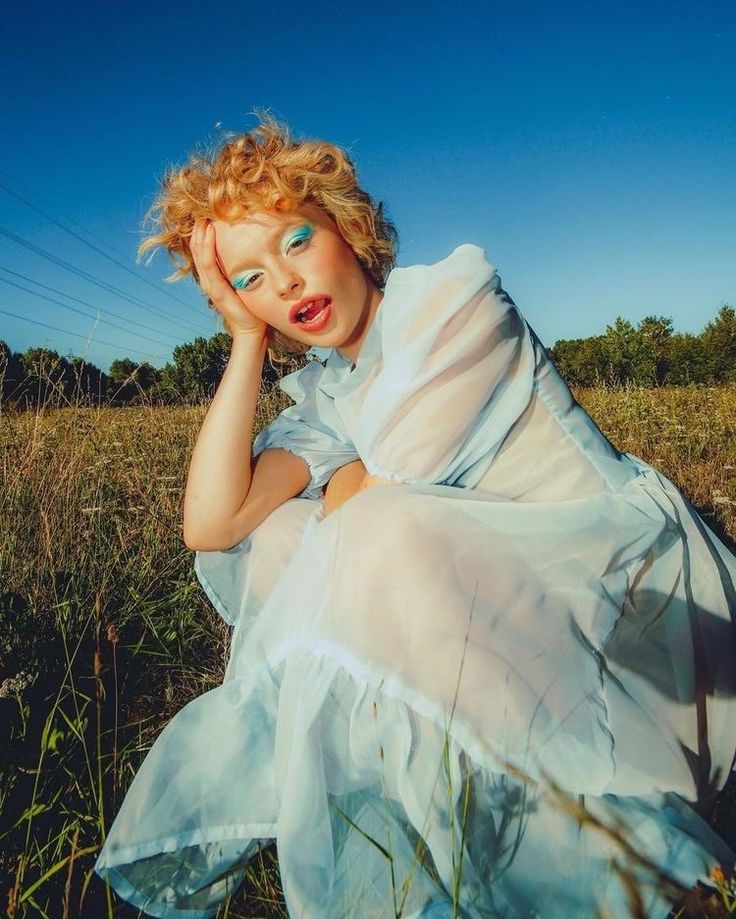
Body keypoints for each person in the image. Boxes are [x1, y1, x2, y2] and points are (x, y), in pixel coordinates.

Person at [95, 115, 736, 918]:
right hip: (515, 641)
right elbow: (213, 522)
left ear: (346, 226)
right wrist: (245, 340)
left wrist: (348, 488)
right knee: (282, 534)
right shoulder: (328, 395)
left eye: (294, 240)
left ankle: (653, 877)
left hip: (637, 620)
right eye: (251, 278)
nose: (286, 285)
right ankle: (472, 833)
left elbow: (389, 501)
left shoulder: (450, 302)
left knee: (371, 532)